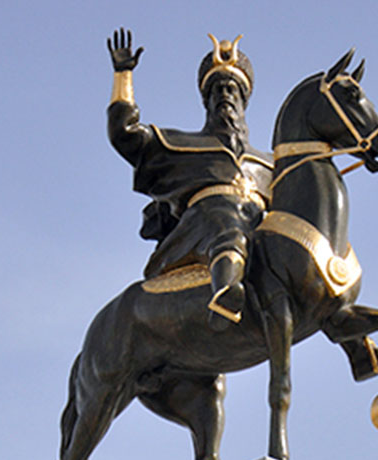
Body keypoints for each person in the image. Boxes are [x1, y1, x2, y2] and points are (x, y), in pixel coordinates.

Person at [106, 29, 273, 328]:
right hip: (197, 238)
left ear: (244, 101)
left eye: (232, 89)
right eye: (217, 90)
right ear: (206, 102)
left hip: (257, 239)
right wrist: (123, 75)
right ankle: (225, 292)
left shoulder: (270, 165)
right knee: (227, 222)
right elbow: (125, 135)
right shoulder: (180, 146)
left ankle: (355, 341)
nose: (225, 96)